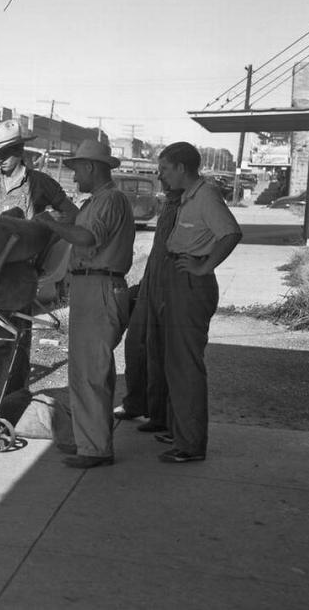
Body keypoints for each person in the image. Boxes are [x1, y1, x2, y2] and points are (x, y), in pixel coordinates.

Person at [34, 139, 135, 468]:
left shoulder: (110, 200)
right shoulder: (98, 202)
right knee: (87, 371)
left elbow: (88, 238)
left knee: (91, 371)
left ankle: (95, 449)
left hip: (100, 287)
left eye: (77, 170)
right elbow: (82, 227)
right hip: (92, 286)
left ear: (91, 167)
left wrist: (49, 224)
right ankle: (88, 440)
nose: (74, 178)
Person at [155, 142, 242, 463]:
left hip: (193, 282)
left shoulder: (205, 195)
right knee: (175, 361)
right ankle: (180, 430)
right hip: (180, 279)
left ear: (181, 167)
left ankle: (190, 444)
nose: (160, 175)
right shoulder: (187, 196)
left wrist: (204, 266)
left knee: (186, 365)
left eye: (164, 168)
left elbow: (230, 233)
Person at [114, 183, 182, 432]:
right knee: (136, 344)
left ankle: (159, 414)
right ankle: (135, 403)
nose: (161, 176)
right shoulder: (170, 204)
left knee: (158, 353)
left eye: (166, 169)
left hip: (169, 288)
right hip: (150, 283)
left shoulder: (189, 204)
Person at [0, 119, 79, 222]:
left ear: (19, 150)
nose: (1, 158)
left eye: (6, 152)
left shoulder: (40, 182)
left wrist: (51, 228)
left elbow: (72, 214)